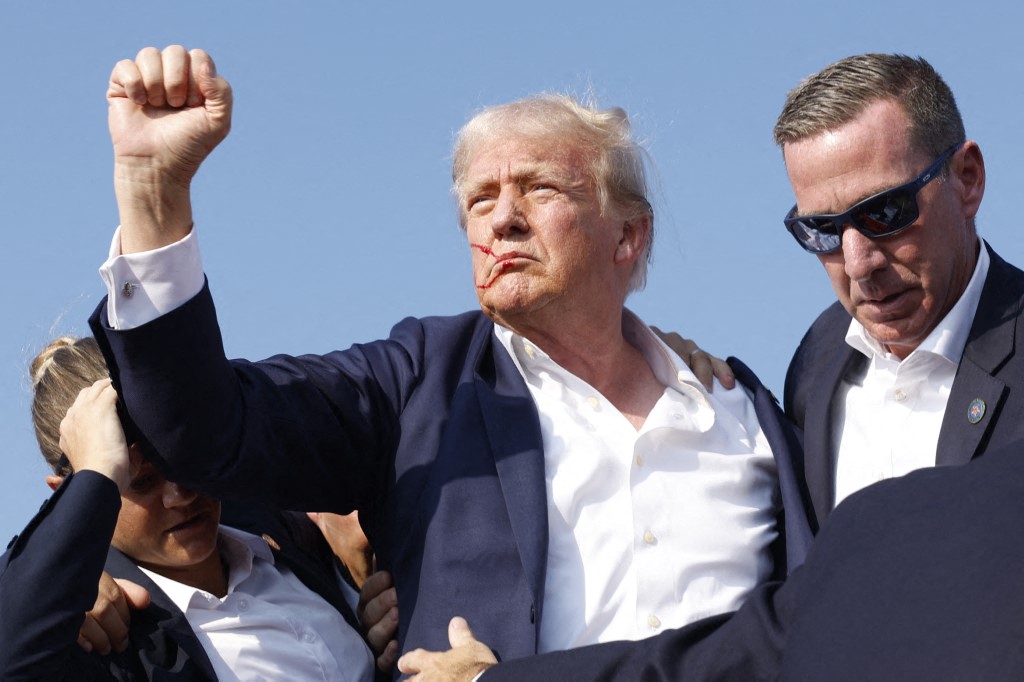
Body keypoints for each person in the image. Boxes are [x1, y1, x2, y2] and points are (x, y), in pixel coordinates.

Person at [88, 45, 810, 666]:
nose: (502, 217)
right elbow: (205, 426)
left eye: (540, 187)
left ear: (628, 236)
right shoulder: (417, 388)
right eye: (480, 199)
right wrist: (154, 197)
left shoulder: (747, 414)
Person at [0, 336, 378, 680]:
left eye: (184, 461)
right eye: (140, 481)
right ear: (71, 493)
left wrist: (364, 595)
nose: (180, 495)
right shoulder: (96, 635)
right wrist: (96, 477)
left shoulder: (285, 531)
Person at [776, 53, 1024, 529]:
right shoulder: (813, 368)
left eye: (884, 212)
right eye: (822, 229)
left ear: (967, 180)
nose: (858, 263)